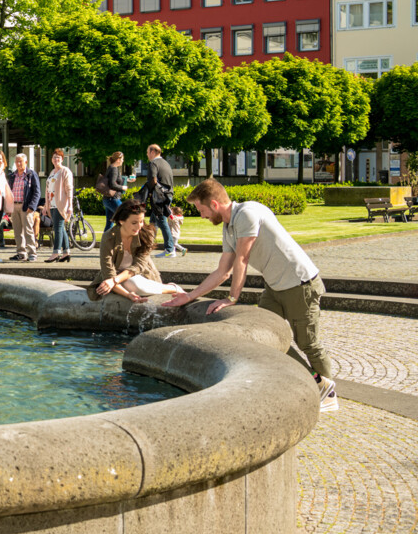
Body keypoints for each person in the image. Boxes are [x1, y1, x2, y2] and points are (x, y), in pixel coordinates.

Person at [162, 179, 337, 413]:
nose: (201, 215)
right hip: (275, 287)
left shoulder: (247, 214)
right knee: (265, 336)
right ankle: (313, 382)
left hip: (300, 283)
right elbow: (222, 271)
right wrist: (189, 296)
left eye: (201, 209)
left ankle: (329, 394)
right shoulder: (228, 226)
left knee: (308, 344)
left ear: (214, 204)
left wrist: (231, 299)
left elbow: (241, 260)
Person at [88, 201, 163, 303]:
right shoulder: (108, 238)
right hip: (116, 279)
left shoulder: (146, 234)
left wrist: (115, 280)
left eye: (141, 221)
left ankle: (172, 288)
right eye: (134, 223)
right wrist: (128, 295)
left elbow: (139, 266)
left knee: (134, 283)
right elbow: (108, 274)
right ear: (121, 221)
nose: (139, 227)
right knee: (129, 284)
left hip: (142, 276)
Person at [142, 144, 177, 258]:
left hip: (159, 197)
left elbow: (152, 179)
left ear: (152, 152)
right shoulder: (166, 163)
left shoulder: (153, 163)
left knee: (161, 221)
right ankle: (147, 247)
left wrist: (146, 192)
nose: (147, 154)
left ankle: (170, 249)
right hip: (167, 195)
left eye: (148, 152)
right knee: (153, 223)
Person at [5, 154, 39, 262]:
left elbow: (37, 192)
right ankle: (21, 253)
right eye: (17, 162)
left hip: (26, 206)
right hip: (14, 206)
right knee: (17, 231)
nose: (18, 164)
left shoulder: (31, 174)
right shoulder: (12, 176)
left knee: (28, 231)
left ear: (26, 162)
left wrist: (32, 206)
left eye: (21, 161)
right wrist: (8, 207)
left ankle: (32, 253)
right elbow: (8, 192)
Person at [44, 148, 73, 263]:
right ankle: (66, 252)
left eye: (58, 157)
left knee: (58, 228)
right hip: (52, 204)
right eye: (54, 157)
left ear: (62, 159)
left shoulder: (65, 171)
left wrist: (70, 205)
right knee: (60, 228)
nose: (56, 159)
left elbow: (69, 188)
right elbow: (48, 189)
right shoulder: (52, 173)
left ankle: (56, 252)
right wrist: (46, 206)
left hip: (61, 204)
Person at [101, 151, 131, 232]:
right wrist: (122, 187)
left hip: (107, 199)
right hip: (113, 199)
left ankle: (105, 243)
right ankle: (125, 238)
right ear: (118, 159)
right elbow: (112, 184)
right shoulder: (114, 169)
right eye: (122, 159)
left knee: (109, 224)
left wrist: (127, 180)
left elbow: (113, 181)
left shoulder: (110, 168)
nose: (123, 161)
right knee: (126, 216)